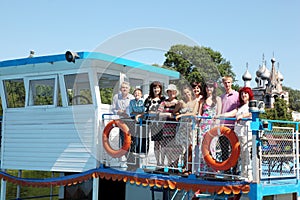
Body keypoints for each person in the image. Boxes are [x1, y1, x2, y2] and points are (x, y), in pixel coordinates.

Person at [216, 87, 254, 181]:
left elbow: (251, 114)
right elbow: (231, 113)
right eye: (242, 94)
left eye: (245, 93)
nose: (243, 95)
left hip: (246, 132)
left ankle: (248, 175)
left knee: (246, 153)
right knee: (239, 153)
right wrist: (220, 115)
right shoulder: (240, 107)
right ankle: (242, 173)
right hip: (238, 133)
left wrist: (242, 116)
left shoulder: (251, 105)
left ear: (249, 95)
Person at [196, 80, 222, 173]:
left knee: (212, 147)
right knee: (202, 148)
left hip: (213, 125)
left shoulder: (218, 99)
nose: (209, 89)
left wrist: (216, 127)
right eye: (207, 87)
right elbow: (199, 114)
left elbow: (219, 114)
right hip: (203, 125)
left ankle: (212, 170)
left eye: (211, 87)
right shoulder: (202, 100)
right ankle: (203, 170)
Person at [173, 85, 198, 170]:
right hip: (182, 127)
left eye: (188, 92)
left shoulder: (195, 102)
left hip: (191, 127)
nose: (187, 94)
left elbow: (194, 113)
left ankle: (189, 167)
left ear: (191, 92)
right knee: (181, 147)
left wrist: (182, 114)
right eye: (184, 93)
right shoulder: (181, 102)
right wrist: (177, 115)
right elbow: (175, 111)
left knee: (190, 147)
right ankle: (182, 166)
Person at [219, 76, 239, 173]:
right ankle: (226, 171)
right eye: (225, 83)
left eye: (229, 82)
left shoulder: (237, 95)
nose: (227, 84)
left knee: (234, 150)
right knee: (224, 150)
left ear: (231, 83)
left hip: (232, 127)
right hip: (223, 127)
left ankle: (235, 170)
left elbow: (238, 110)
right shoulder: (221, 97)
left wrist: (225, 115)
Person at [143, 81, 166, 166]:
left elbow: (165, 109)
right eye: (154, 88)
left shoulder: (163, 99)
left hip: (162, 123)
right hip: (153, 123)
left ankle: (163, 162)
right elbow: (146, 110)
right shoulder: (149, 99)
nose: (156, 89)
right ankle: (158, 162)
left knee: (163, 144)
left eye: (158, 88)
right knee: (156, 143)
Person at [157, 84, 179, 166]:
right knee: (164, 147)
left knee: (175, 148)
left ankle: (175, 165)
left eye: (173, 91)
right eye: (169, 91)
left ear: (176, 92)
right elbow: (158, 114)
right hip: (165, 127)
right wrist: (168, 115)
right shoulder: (164, 102)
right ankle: (163, 164)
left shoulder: (178, 102)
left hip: (176, 128)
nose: (171, 93)